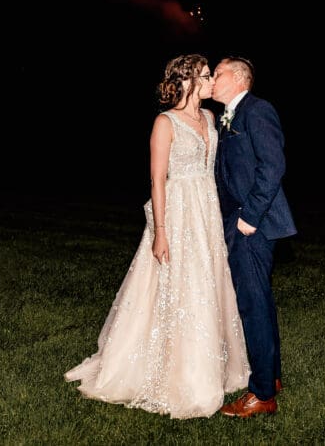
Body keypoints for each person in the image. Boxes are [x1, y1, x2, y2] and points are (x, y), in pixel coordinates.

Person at [64, 54, 250, 419]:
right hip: (178, 214)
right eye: (207, 74)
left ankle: (212, 366)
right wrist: (160, 232)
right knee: (181, 286)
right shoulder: (164, 123)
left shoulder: (211, 118)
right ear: (189, 81)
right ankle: (180, 375)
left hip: (206, 211)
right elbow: (157, 180)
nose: (212, 79)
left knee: (208, 284)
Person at [212, 56, 297, 418]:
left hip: (252, 224)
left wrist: (249, 216)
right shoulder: (226, 116)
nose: (212, 79)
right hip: (239, 220)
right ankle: (271, 377)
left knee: (252, 305)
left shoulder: (257, 110)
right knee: (259, 301)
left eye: (217, 74)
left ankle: (261, 394)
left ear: (238, 79)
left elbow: (273, 165)